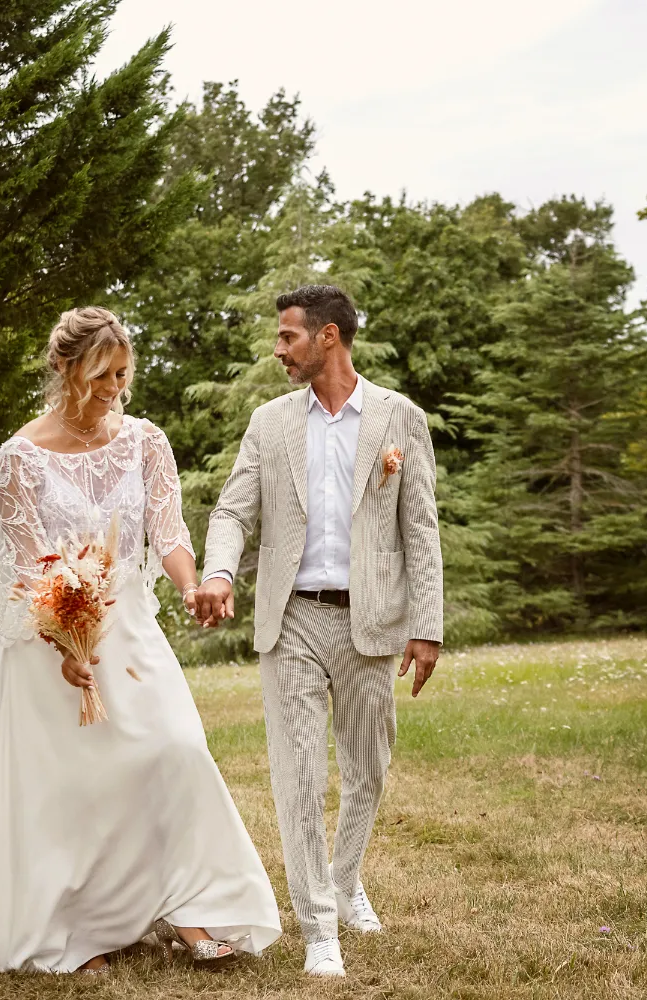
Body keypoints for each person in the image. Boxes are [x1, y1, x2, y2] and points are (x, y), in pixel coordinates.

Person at [0, 307, 281, 977]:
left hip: (130, 629)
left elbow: (169, 532)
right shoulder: (21, 458)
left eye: (123, 374)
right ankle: (77, 928)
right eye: (102, 375)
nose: (114, 388)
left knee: (177, 750)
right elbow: (24, 570)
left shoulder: (145, 441)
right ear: (64, 368)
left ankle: (188, 909)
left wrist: (190, 586)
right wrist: (65, 646)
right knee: (78, 785)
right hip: (54, 638)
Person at [192, 284, 444, 978]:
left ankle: (345, 874)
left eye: (288, 337)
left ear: (328, 336)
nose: (278, 349)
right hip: (292, 618)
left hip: (372, 619)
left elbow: (420, 527)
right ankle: (318, 928)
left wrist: (426, 625)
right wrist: (219, 572)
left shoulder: (400, 418)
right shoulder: (269, 422)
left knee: (368, 768)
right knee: (298, 775)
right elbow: (233, 511)